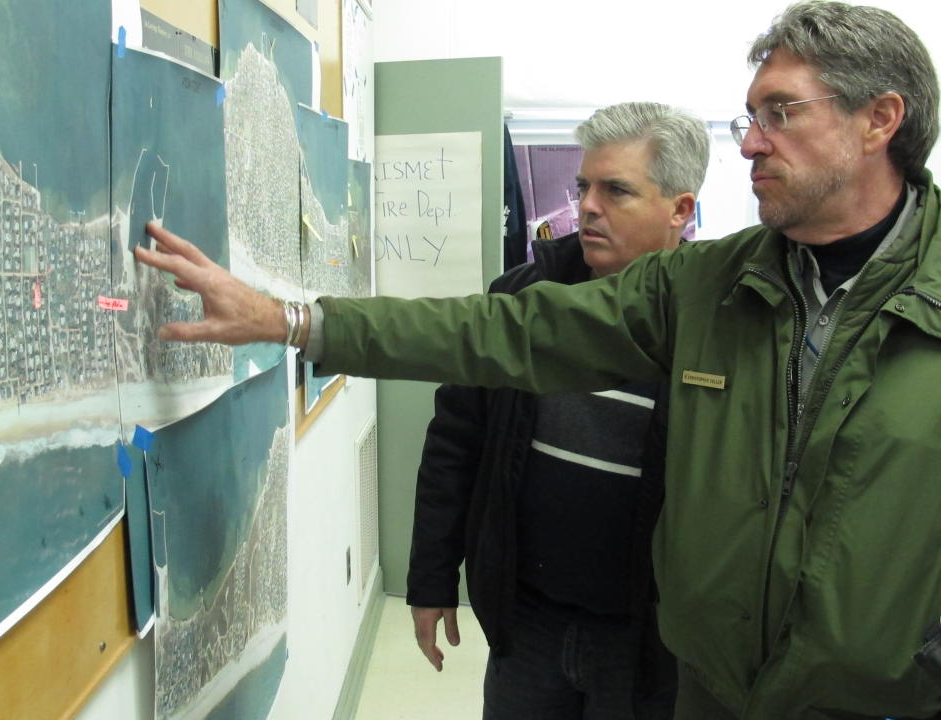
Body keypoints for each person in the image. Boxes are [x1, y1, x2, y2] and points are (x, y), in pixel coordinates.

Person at [135, 2, 941, 717]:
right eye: (749, 116)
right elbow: (499, 335)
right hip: (707, 688)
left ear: (880, 121)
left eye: (780, 113)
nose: (752, 143)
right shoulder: (712, 286)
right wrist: (291, 319)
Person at [408, 102, 708, 720]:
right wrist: (432, 579)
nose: (587, 206)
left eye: (616, 190)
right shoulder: (522, 298)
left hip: (647, 641)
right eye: (583, 187)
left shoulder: (716, 327)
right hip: (528, 623)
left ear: (680, 209)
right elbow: (454, 446)